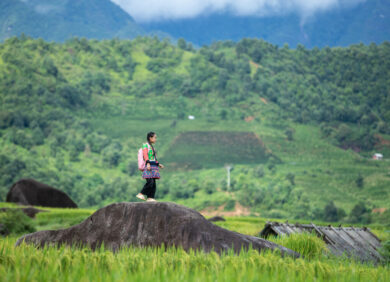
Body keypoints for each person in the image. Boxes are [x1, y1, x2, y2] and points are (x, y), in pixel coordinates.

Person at [136, 132, 164, 202]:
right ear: (150, 138)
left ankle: (150, 197)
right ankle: (141, 193)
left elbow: (153, 157)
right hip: (149, 166)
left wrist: (158, 164)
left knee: (153, 183)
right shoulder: (145, 145)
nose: (155, 139)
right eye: (155, 137)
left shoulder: (151, 146)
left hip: (153, 166)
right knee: (150, 182)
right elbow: (145, 155)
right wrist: (148, 163)